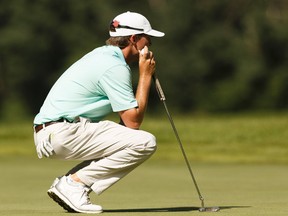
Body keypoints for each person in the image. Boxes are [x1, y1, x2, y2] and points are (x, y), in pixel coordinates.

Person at [33, 11, 165, 214]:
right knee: (146, 142)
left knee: (132, 139)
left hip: (53, 132)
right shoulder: (114, 66)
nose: (150, 44)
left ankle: (68, 185)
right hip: (62, 132)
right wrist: (145, 76)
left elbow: (127, 128)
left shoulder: (102, 55)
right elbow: (133, 122)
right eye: (148, 38)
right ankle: (73, 185)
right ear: (134, 39)